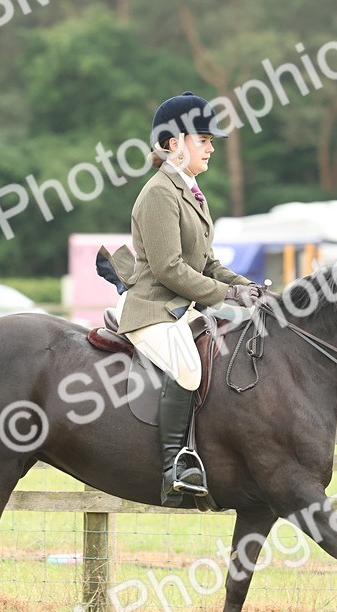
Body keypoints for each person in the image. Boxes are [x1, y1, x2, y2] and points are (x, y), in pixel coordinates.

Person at [116, 91, 264, 505]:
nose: (211, 148)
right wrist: (227, 294)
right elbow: (169, 269)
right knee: (187, 368)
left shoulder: (190, 192)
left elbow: (207, 263)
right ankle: (173, 467)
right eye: (203, 140)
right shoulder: (159, 193)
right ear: (173, 144)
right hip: (153, 309)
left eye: (210, 141)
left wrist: (247, 288)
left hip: (181, 308)